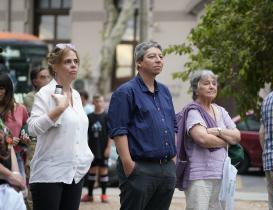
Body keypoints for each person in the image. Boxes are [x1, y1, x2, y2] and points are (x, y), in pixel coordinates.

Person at [108, 41, 177, 210]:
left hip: (166, 169)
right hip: (139, 169)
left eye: (161, 57)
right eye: (152, 56)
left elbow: (173, 125)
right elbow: (119, 130)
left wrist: (173, 161)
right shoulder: (125, 92)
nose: (158, 60)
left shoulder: (165, 92)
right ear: (139, 62)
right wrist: (128, 164)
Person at [27, 43, 93, 210]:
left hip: (74, 174)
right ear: (54, 66)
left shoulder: (77, 95)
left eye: (76, 61)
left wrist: (86, 159)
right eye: (67, 61)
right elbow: (33, 128)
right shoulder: (45, 93)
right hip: (49, 175)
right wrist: (58, 109)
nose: (73, 65)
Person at [177, 69, 240, 210]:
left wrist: (217, 131)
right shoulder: (193, 111)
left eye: (214, 83)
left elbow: (237, 136)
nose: (212, 86)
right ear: (195, 88)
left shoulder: (221, 110)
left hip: (222, 174)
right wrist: (226, 140)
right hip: (199, 176)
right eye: (206, 83)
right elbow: (203, 139)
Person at [23, 66, 51, 210]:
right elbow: (44, 117)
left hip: (52, 143)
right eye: (43, 77)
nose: (47, 80)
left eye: (48, 77)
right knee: (34, 181)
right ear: (35, 81)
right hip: (35, 143)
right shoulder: (30, 97)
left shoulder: (54, 93)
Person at [81, 94, 112, 203]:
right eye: (96, 101)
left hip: (103, 148)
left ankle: (104, 195)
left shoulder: (107, 117)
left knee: (103, 171)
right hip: (92, 149)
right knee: (92, 171)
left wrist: (108, 147)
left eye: (100, 101)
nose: (98, 103)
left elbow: (110, 134)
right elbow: (84, 134)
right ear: (93, 103)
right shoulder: (89, 117)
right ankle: (90, 195)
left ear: (103, 103)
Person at [0, 72, 30, 179]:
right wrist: (8, 141)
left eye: (1, 88)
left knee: (19, 192)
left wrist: (24, 139)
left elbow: (27, 133)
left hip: (15, 157)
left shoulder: (20, 109)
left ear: (8, 90)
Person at [259, 84, 273, 210]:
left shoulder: (267, 98)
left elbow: (261, 133)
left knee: (272, 204)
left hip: (269, 159)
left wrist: (267, 153)